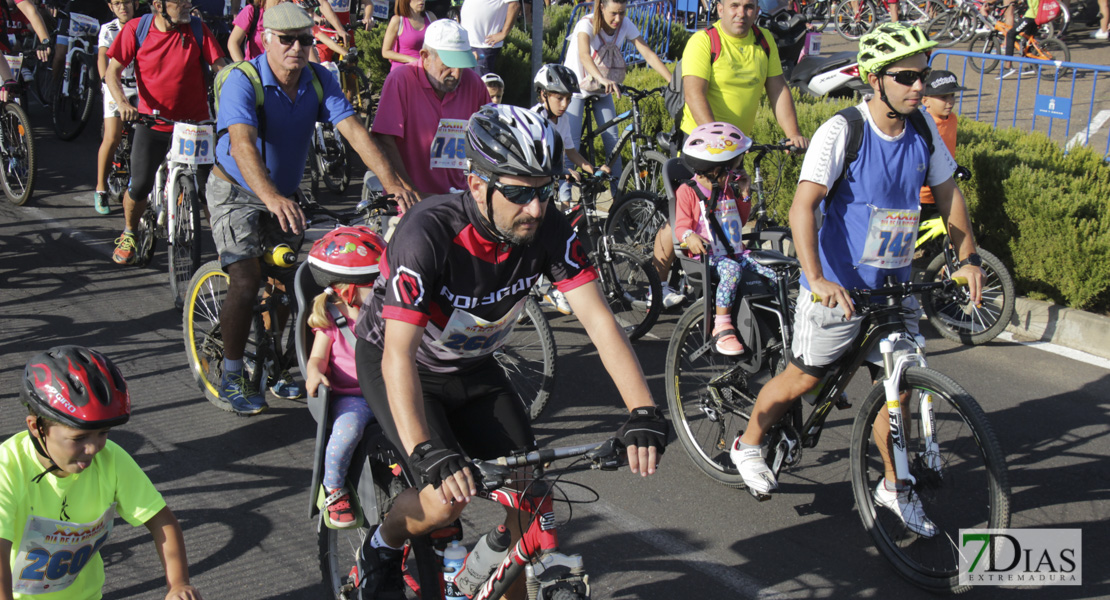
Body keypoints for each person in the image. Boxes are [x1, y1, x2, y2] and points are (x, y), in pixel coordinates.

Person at [353, 105, 668, 599]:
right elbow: (396, 356)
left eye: (544, 189)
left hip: (474, 366)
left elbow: (601, 322)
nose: (536, 207)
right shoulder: (427, 234)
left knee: (530, 498)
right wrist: (426, 450)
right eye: (519, 192)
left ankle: (489, 570)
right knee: (443, 503)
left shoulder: (548, 230)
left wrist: (642, 410)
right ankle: (381, 545)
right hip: (405, 367)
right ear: (477, 185)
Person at [731, 24, 985, 538]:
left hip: (893, 284)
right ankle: (749, 442)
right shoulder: (843, 130)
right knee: (805, 378)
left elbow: (949, 192)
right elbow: (804, 206)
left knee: (898, 390)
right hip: (839, 285)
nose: (920, 86)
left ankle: (895, 485)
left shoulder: (922, 131)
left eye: (925, 74)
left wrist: (968, 257)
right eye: (907, 77)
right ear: (874, 79)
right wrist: (817, 277)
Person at [208, 2, 415, 415]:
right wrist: (270, 197)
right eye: (287, 40)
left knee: (291, 282)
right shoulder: (242, 80)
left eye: (305, 39)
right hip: (237, 192)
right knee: (247, 280)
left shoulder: (318, 79)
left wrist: (393, 184)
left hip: (284, 193)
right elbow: (241, 145)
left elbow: (353, 130)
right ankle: (231, 373)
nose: (297, 48)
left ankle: (284, 365)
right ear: (266, 39)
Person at [1, 346, 202, 600]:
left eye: (103, 433)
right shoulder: (6, 469)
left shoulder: (110, 459)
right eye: (79, 437)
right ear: (36, 427)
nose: (94, 448)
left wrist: (178, 584)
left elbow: (162, 521)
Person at [649, 0, 811, 310]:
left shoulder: (763, 42)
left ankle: (716, 276)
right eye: (734, 5)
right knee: (684, 215)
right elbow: (694, 92)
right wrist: (716, 145)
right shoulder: (704, 41)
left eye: (749, 6)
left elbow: (777, 89)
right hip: (699, 146)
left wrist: (793, 133)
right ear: (720, 8)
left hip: (734, 148)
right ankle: (655, 288)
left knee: (728, 211)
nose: (742, 13)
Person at [105, 0, 229, 266]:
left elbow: (221, 68)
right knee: (139, 185)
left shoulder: (198, 29)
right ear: (159, 5)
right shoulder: (137, 30)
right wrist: (124, 104)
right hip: (152, 123)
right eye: (179, 1)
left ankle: (224, 248)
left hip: (196, 126)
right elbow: (111, 73)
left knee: (210, 190)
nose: (187, 5)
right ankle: (130, 231)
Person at [304, 227, 386, 529]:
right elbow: (317, 357)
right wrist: (314, 372)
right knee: (347, 432)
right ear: (348, 291)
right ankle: (334, 488)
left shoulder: (384, 311)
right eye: (376, 284)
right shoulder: (333, 319)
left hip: (387, 388)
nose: (384, 289)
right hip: (353, 395)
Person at [674, 122, 776, 356]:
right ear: (715, 168)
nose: (736, 170)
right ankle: (722, 325)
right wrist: (689, 236)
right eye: (733, 166)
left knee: (773, 272)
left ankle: (770, 320)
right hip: (707, 256)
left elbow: (738, 221)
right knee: (731, 271)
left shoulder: (727, 188)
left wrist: (744, 193)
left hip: (733, 250)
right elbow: (681, 225)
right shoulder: (688, 191)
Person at [369, 19, 489, 201]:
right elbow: (385, 139)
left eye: (461, 65)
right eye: (448, 65)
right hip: (411, 200)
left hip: (461, 198)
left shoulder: (473, 84)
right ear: (425, 57)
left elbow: (487, 137)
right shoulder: (401, 80)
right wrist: (410, 190)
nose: (456, 74)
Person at [562, 0, 672, 190]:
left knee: (614, 143)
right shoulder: (586, 24)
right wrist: (601, 79)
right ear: (601, 7)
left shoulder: (625, 24)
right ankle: (564, 199)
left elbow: (647, 53)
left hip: (604, 88)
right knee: (571, 146)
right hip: (578, 89)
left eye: (622, 13)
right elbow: (584, 56)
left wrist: (672, 81)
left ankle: (618, 199)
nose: (618, 19)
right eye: (614, 13)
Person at [531, 63, 608, 315]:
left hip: (546, 190)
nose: (564, 104)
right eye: (558, 97)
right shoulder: (534, 120)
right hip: (530, 189)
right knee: (548, 235)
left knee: (555, 233)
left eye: (567, 98)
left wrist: (592, 168)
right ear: (543, 94)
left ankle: (544, 285)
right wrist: (559, 172)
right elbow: (534, 160)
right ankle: (551, 286)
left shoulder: (559, 120)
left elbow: (571, 151)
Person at [92, 0, 138, 216]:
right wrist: (104, 80)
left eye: (127, 2)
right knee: (112, 137)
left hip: (140, 87)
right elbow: (103, 55)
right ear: (110, 7)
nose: (123, 7)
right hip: (115, 85)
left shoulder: (143, 24)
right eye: (117, 3)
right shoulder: (108, 29)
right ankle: (100, 188)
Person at [918, 69, 968, 207]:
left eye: (952, 95)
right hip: (921, 196)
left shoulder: (952, 119)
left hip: (944, 191)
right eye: (943, 97)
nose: (950, 101)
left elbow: (945, 151)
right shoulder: (921, 124)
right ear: (925, 101)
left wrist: (955, 167)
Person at [459, 0, 518, 75]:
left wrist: (504, 33)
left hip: (484, 45)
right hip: (466, 43)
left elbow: (514, 5)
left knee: (481, 82)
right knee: (465, 81)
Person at [381, 0, 435, 71]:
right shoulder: (397, 20)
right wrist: (411, 60)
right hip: (403, 70)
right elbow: (386, 52)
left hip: (427, 70)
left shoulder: (430, 17)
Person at [999, 0, 1041, 79]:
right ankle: (1033, 65)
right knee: (1028, 39)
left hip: (1031, 16)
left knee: (1010, 34)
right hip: (1038, 15)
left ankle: (1008, 67)